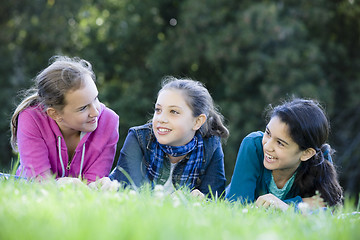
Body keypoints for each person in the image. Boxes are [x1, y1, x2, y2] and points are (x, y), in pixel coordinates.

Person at [93, 76, 229, 197]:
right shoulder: (138, 138)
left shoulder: (210, 145)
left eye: (174, 112)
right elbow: (128, 190)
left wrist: (199, 197)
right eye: (158, 110)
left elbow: (215, 196)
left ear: (197, 121)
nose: (161, 119)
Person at [10, 56, 119, 183]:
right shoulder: (31, 119)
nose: (95, 112)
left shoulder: (109, 121)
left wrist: (95, 186)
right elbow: (39, 181)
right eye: (83, 108)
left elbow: (93, 184)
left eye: (96, 98)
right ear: (55, 114)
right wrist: (61, 185)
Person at [226, 98, 343, 211]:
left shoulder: (320, 157)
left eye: (280, 143)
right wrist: (302, 205)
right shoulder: (253, 145)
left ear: (307, 153)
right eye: (268, 133)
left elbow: (329, 206)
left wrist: (285, 206)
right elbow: (236, 205)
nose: (267, 146)